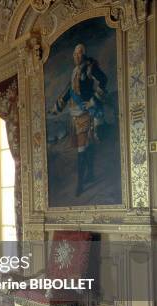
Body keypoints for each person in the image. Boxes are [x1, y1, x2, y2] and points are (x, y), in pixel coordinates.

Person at [50, 43, 108, 196]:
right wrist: (57, 107)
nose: (77, 56)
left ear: (84, 54)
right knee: (85, 146)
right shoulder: (74, 71)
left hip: (86, 113)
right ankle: (90, 174)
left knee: (82, 148)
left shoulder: (90, 67)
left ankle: (80, 184)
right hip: (74, 115)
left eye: (80, 53)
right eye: (75, 54)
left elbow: (104, 80)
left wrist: (93, 100)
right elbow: (69, 92)